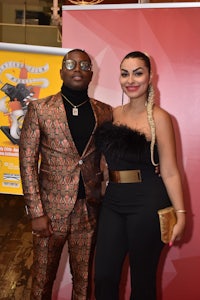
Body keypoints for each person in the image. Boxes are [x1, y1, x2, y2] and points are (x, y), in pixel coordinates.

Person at [19, 48, 112, 300]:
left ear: (91, 74)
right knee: (41, 282)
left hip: (88, 211)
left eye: (84, 64)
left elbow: (104, 157)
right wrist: (36, 212)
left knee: (83, 283)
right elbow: (27, 162)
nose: (77, 69)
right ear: (61, 71)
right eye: (70, 64)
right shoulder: (40, 109)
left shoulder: (104, 112)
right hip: (50, 213)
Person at [94, 51, 186, 300]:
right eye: (125, 73)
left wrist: (181, 215)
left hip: (148, 204)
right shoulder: (111, 114)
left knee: (142, 282)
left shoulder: (160, 118)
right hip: (113, 203)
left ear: (149, 77)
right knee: (103, 276)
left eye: (138, 72)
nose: (130, 80)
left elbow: (169, 171)